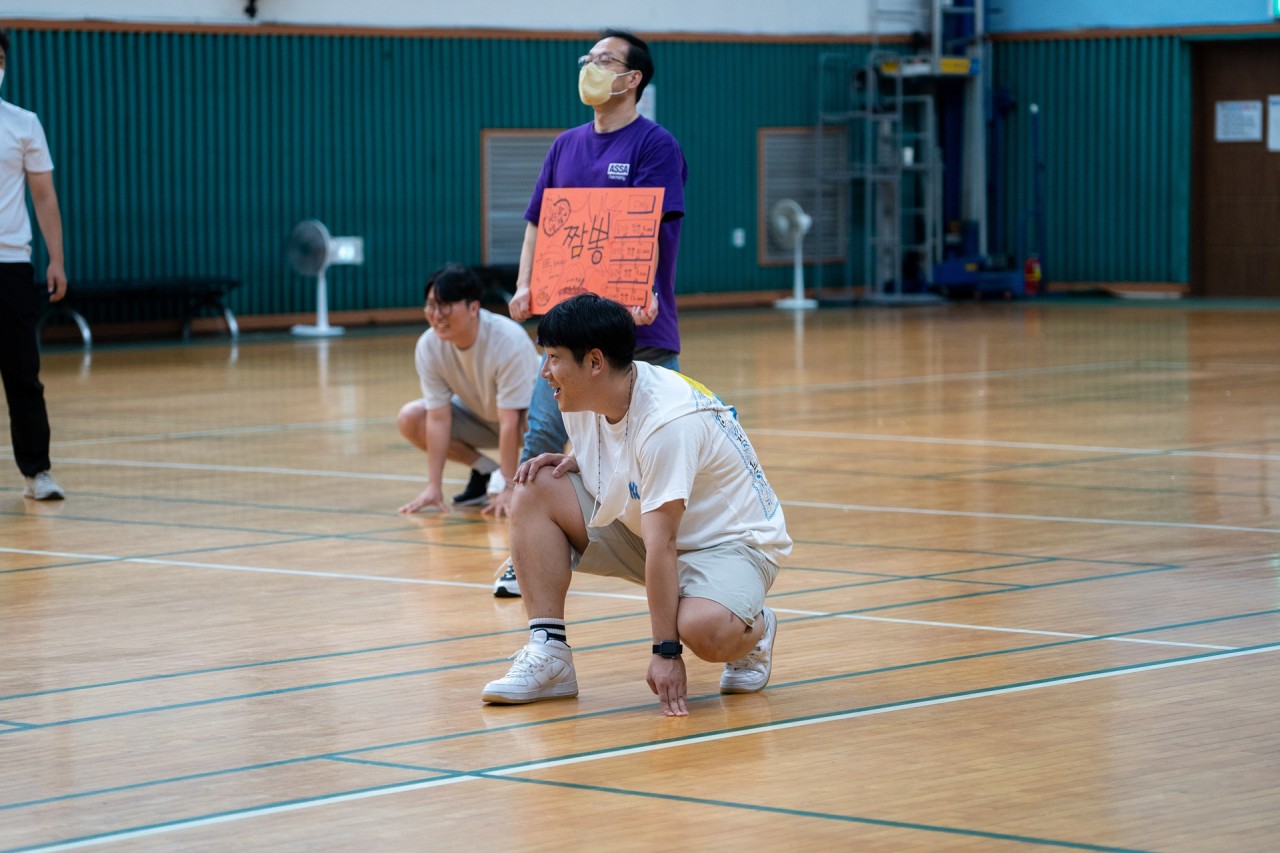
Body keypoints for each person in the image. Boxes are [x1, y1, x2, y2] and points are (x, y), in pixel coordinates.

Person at [480, 294, 791, 716]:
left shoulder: (668, 421)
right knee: (534, 486)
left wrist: (666, 652)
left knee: (703, 629)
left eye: (553, 358)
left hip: (732, 544)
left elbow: (662, 544)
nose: (545, 372)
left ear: (594, 362)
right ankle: (549, 653)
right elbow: (623, 455)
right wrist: (584, 461)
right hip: (652, 530)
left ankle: (755, 627)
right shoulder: (582, 396)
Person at [496, 28, 689, 596]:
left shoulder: (655, 145)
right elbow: (539, 222)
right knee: (541, 436)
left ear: (632, 79)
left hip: (641, 330)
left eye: (605, 60)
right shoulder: (565, 145)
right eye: (589, 58)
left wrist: (645, 289)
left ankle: (686, 561)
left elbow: (651, 226)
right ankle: (523, 557)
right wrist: (526, 283)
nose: (591, 67)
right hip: (565, 329)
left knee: (663, 443)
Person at [397, 264, 540, 517]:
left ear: (473, 307)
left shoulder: (507, 340)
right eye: (430, 306)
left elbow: (510, 421)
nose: (436, 315)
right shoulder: (429, 346)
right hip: (482, 418)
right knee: (411, 417)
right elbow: (438, 418)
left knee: (531, 417)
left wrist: (509, 488)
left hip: (527, 423)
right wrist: (434, 486)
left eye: (445, 306)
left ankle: (536, 485)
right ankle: (486, 470)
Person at [0, 30, 66, 501]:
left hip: (11, 264)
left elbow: (43, 195)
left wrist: (56, 258)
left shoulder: (24, 123)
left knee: (23, 373)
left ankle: (37, 473)